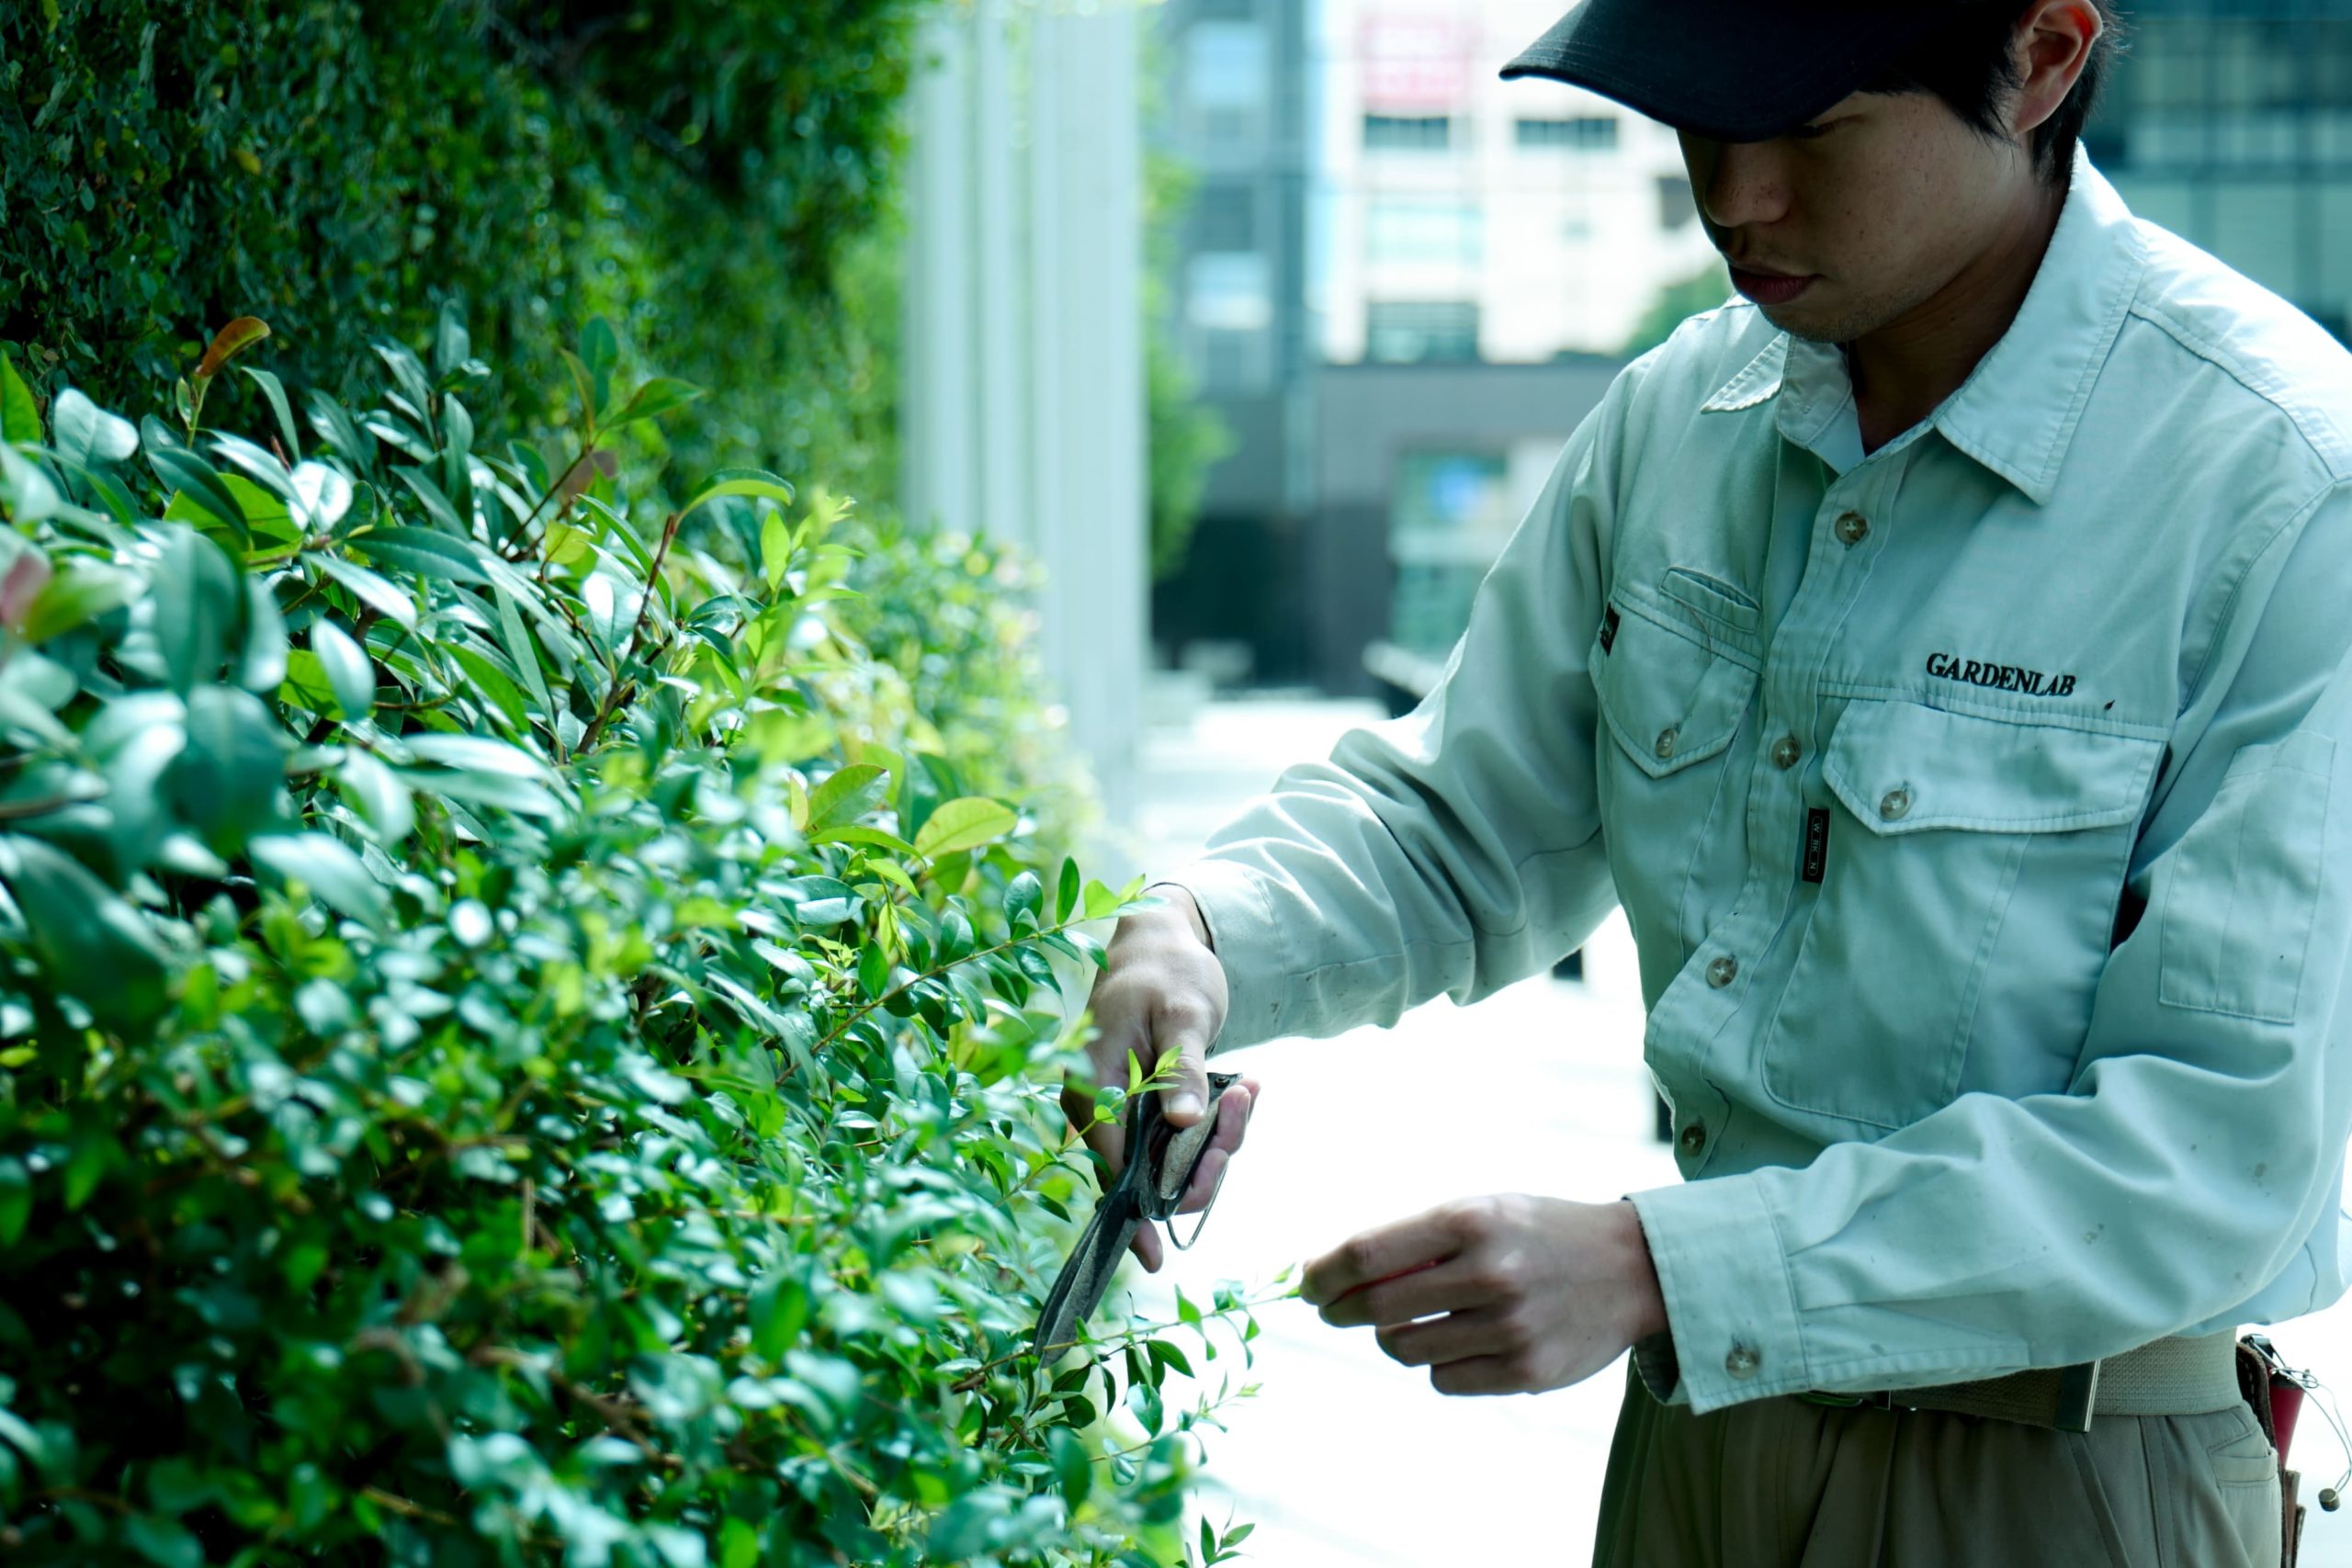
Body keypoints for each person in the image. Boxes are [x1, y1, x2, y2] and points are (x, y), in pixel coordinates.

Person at [1065, 1, 2352, 1561]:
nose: (1734, 193)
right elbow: (1461, 821)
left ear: (2045, 59)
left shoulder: (2284, 486)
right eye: (1691, 119)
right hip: (1698, 1446)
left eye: (1808, 128)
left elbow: (2217, 1147)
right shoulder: (1683, 416)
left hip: (2066, 1482)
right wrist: (1200, 936)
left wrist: (1661, 1273)